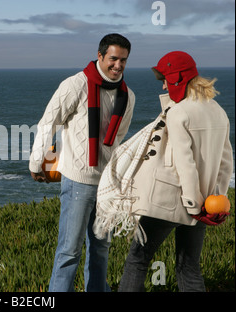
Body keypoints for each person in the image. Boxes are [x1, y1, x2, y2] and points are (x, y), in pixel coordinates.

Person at [115, 51, 234, 292]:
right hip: (205, 204)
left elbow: (185, 162)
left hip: (168, 202)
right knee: (189, 267)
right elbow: (225, 163)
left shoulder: (178, 112)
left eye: (165, 78)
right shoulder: (218, 111)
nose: (163, 84)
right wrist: (215, 200)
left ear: (178, 78)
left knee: (137, 260)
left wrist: (191, 204)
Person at [29, 33, 135, 292]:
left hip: (107, 184)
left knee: (101, 250)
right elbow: (48, 124)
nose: (118, 65)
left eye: (123, 60)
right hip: (78, 182)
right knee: (69, 251)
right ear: (100, 56)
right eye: (113, 59)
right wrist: (36, 164)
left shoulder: (128, 97)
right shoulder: (75, 85)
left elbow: (118, 142)